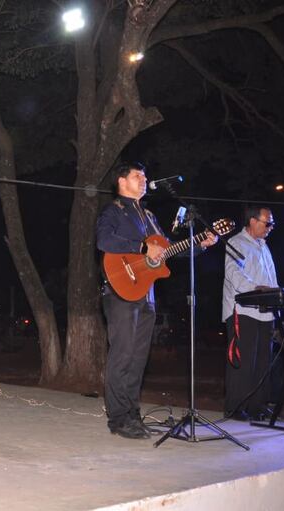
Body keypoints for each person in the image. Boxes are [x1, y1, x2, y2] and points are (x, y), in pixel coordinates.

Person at [96, 162, 217, 439]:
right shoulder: (113, 211)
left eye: (145, 177)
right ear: (121, 181)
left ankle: (132, 414)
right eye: (138, 176)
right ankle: (118, 418)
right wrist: (140, 247)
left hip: (146, 294)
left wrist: (199, 245)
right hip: (120, 290)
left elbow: (166, 250)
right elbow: (104, 240)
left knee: (138, 358)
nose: (143, 180)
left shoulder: (148, 215)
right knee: (122, 354)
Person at [222, 206, 278, 421]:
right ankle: (236, 407)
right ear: (253, 221)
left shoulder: (263, 247)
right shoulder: (236, 243)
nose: (270, 227)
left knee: (263, 361)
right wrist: (255, 289)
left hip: (265, 312)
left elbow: (270, 279)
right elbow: (233, 274)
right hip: (243, 311)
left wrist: (275, 296)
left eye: (271, 223)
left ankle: (257, 406)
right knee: (243, 361)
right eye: (267, 222)